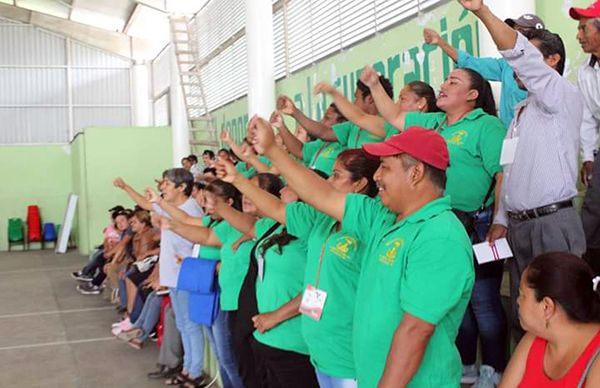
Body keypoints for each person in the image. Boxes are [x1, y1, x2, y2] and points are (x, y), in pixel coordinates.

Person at [248, 116, 474, 387]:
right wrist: (273, 149)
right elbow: (323, 195)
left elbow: (416, 330)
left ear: (415, 173)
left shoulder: (439, 236)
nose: (376, 176)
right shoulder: (383, 218)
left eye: (386, 168)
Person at [458, 0, 587, 342]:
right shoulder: (519, 114)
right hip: (519, 227)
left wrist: (482, 12)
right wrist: (501, 219)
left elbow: (524, 60)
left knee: (563, 316)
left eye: (532, 54)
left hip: (552, 224)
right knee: (525, 316)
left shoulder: (561, 95)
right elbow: (510, 172)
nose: (520, 65)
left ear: (553, 61)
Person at [216, 147, 380, 388]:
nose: (329, 182)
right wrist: (238, 180)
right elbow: (277, 210)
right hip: (319, 349)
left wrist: (271, 148)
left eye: (336, 175)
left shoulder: (370, 223)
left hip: (349, 354)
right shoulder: (322, 221)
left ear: (359, 184)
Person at [113, 169, 206, 387]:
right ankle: (187, 368)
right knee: (183, 324)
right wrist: (125, 186)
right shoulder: (170, 207)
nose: (161, 187)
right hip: (172, 275)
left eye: (166, 184)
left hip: (185, 274)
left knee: (190, 326)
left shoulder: (190, 209)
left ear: (181, 187)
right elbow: (146, 205)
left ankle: (194, 371)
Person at [423, 13, 546, 127]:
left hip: (538, 132)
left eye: (521, 31)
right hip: (511, 136)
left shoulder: (547, 69)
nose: (514, 34)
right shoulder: (505, 65)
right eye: (514, 30)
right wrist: (440, 42)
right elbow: (470, 62)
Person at [499, 252, 600, 387]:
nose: (518, 301)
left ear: (547, 307)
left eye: (522, 295)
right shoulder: (534, 338)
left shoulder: (596, 361)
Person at [283, 77, 394, 150]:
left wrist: (332, 92)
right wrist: (295, 112)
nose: (353, 102)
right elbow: (324, 132)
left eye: (356, 97)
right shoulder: (353, 125)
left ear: (369, 98)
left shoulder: (390, 125)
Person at [570, 1, 600, 274]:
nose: (579, 35)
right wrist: (588, 157)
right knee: (591, 215)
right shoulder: (585, 71)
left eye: (583, 28)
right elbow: (589, 118)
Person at [312, 79, 439, 140]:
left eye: (402, 99)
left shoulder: (433, 127)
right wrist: (333, 92)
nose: (396, 104)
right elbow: (359, 117)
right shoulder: (391, 127)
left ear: (421, 103)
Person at [274, 99, 346, 175]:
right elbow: (300, 150)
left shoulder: (346, 143)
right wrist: (281, 126)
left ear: (342, 123)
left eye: (327, 118)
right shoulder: (321, 143)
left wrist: (294, 112)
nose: (321, 121)